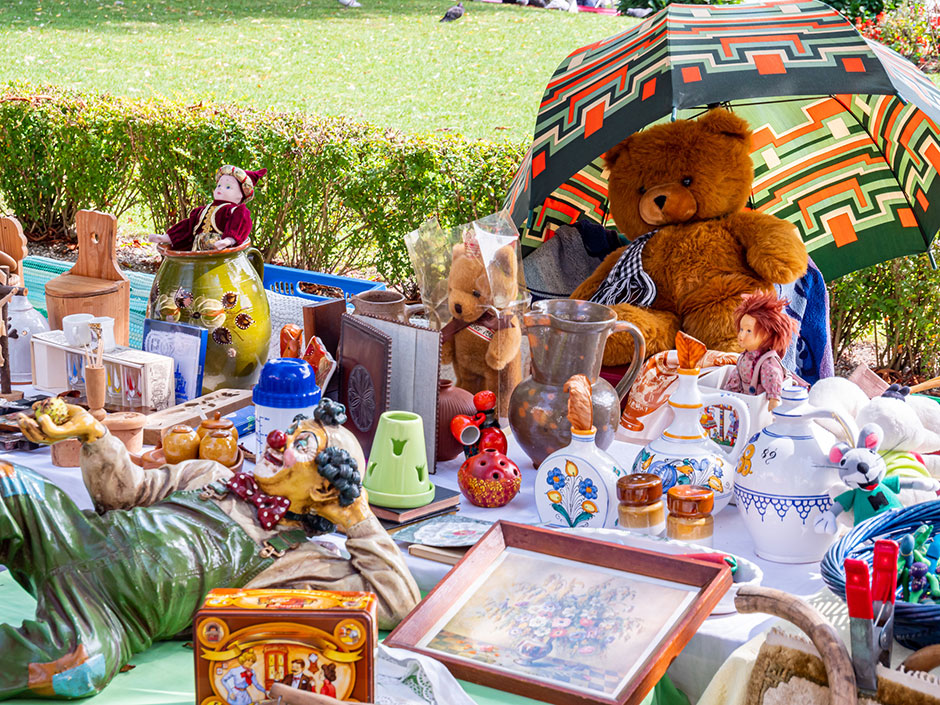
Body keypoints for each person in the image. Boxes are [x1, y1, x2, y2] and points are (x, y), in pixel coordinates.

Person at [0, 399, 420, 700]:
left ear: (324, 489)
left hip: (109, 617)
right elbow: (124, 494)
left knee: (76, 668)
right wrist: (94, 434)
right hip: (69, 535)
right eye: (293, 430)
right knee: (6, 480)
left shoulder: (303, 564)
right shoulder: (211, 474)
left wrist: (358, 518)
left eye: (303, 444)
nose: (280, 439)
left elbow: (398, 602)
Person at [150, 165, 266, 251]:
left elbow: (240, 225)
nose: (220, 188)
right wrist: (168, 237)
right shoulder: (202, 210)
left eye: (228, 187)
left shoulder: (236, 211)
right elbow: (188, 227)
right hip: (196, 254)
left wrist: (228, 240)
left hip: (221, 255)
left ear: (241, 195)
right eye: (219, 185)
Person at [722, 291, 800, 411]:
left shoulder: (768, 362)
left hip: (758, 408)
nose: (741, 335)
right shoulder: (743, 358)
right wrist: (727, 394)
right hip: (743, 405)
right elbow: (736, 377)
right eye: (741, 329)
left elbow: (773, 380)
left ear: (765, 335)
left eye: (748, 331)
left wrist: (774, 400)